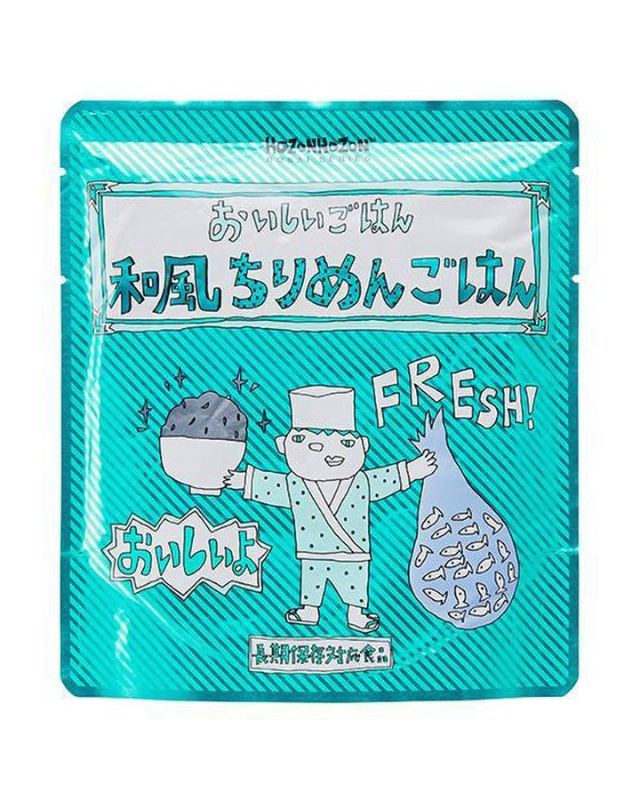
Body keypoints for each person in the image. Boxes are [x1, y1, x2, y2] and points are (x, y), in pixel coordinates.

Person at [224, 385, 437, 633]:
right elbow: (272, 485)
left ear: (363, 445)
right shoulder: (296, 484)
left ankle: (356, 614)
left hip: (353, 551)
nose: (331, 455)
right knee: (312, 583)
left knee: (354, 586)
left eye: (345, 443)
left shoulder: (361, 481)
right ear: (283, 445)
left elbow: (385, 479)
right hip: (313, 550)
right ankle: (309, 610)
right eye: (313, 447)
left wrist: (412, 470)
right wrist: (244, 480)